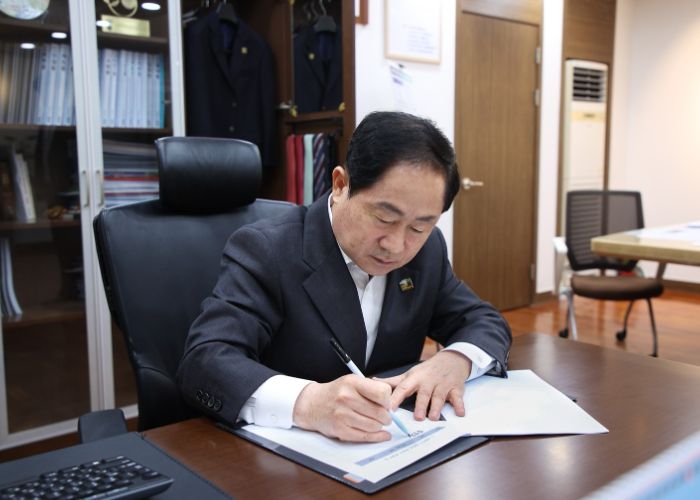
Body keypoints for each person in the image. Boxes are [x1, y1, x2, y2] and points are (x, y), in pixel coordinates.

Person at [176, 111, 512, 443]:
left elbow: (483, 320)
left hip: (392, 448)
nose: (396, 246)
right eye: (384, 218)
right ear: (340, 185)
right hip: (280, 456)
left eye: (419, 227)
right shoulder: (268, 249)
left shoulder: (428, 250)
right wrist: (308, 403)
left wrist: (457, 360)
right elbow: (205, 361)